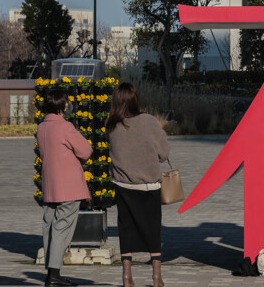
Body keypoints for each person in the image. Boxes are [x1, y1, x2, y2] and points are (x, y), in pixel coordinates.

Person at [107, 82, 171, 287]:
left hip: (123, 186)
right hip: (148, 186)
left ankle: (126, 277)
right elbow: (163, 154)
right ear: (135, 99)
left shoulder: (111, 125)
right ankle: (156, 277)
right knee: (153, 230)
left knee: (126, 229)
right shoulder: (149, 121)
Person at [36, 86, 93, 287]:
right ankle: (54, 274)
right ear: (62, 105)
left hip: (50, 185)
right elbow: (86, 150)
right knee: (62, 228)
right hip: (68, 186)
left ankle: (51, 273)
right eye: (67, 102)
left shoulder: (42, 127)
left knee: (49, 226)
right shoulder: (65, 127)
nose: (69, 104)